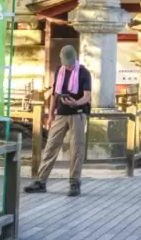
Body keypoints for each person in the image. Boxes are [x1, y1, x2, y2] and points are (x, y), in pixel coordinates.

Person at [25, 44, 92, 197]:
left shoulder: (83, 72)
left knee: (77, 148)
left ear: (74, 59)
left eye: (69, 62)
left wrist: (77, 103)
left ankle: (75, 182)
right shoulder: (60, 71)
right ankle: (41, 181)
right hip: (61, 113)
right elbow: (55, 94)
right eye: (65, 62)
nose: (67, 65)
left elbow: (87, 96)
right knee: (50, 146)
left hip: (78, 113)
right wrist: (50, 115)